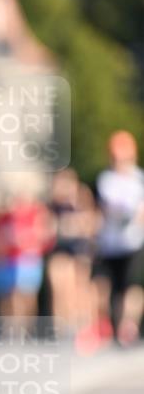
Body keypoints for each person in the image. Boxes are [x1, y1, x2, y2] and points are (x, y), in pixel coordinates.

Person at [91, 130, 144, 347]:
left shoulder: (139, 178)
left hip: (134, 241)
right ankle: (115, 326)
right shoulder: (107, 179)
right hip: (112, 244)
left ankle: (129, 325)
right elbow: (110, 207)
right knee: (115, 288)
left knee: (133, 286)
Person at [46, 168, 97, 348]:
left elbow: (92, 222)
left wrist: (75, 225)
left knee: (79, 287)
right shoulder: (54, 204)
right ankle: (60, 327)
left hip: (80, 248)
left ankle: (82, 324)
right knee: (59, 286)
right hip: (60, 248)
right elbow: (47, 226)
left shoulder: (81, 197)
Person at [0, 188, 53, 325]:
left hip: (29, 259)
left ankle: (27, 325)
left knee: (28, 294)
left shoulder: (36, 214)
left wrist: (27, 241)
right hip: (9, 260)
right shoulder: (3, 218)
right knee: (9, 294)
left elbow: (45, 236)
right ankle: (10, 325)